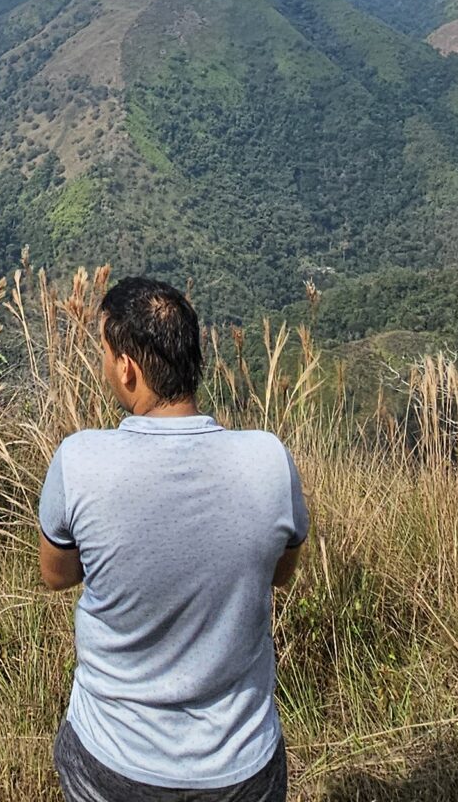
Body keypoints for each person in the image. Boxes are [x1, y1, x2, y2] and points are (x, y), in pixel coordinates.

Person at [37, 277, 308, 802]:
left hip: (112, 761)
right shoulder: (270, 460)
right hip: (240, 766)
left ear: (127, 369)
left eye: (104, 352)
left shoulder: (79, 460)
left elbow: (56, 576)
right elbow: (279, 573)